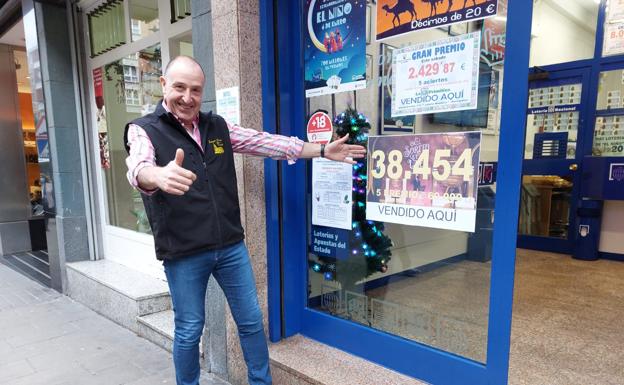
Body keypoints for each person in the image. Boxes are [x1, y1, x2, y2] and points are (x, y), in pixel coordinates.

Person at [123, 55, 366, 385]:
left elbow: (266, 143)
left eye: (195, 90)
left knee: (251, 321)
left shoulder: (217, 126)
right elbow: (138, 167)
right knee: (189, 329)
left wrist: (321, 151)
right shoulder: (144, 130)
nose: (187, 97)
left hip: (230, 248)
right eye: (179, 87)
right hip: (183, 252)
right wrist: (157, 175)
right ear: (164, 85)